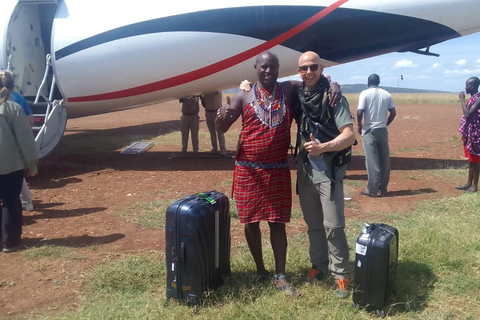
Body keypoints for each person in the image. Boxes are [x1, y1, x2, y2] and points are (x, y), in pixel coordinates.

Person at [215, 51, 301, 297]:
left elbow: (313, 79)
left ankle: (280, 275)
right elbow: (222, 127)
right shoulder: (243, 95)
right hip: (248, 170)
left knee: (277, 222)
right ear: (255, 68)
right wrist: (221, 117)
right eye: (263, 67)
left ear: (278, 68)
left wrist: (334, 82)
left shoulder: (288, 88)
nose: (268, 71)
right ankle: (261, 270)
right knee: (251, 222)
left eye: (272, 67)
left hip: (277, 169)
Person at [292, 51, 355, 299]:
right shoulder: (299, 94)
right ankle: (318, 265)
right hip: (305, 170)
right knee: (313, 225)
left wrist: (323, 147)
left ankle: (340, 275)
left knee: (334, 226)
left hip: (327, 171)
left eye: (313, 67)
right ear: (298, 71)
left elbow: (349, 135)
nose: (309, 72)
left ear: (321, 68)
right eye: (304, 68)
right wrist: (246, 84)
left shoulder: (333, 97)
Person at [0, 70, 38, 253]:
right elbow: (25, 139)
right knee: (10, 201)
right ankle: (11, 242)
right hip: (9, 165)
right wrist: (32, 164)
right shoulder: (13, 108)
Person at [357, 74, 396, 197]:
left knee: (372, 160)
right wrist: (385, 123)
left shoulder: (364, 93)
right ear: (379, 82)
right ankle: (383, 188)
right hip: (382, 129)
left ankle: (372, 190)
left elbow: (360, 111)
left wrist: (359, 124)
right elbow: (393, 113)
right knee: (384, 159)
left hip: (369, 129)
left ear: (368, 82)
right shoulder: (386, 94)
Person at [10, 90, 35, 211]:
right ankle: (26, 202)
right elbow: (31, 121)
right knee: (17, 174)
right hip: (14, 144)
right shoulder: (18, 99)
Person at [456, 76, 480, 193]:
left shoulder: (478, 99)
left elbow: (468, 114)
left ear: (473, 86)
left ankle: (475, 186)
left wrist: (461, 99)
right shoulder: (472, 99)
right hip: (470, 132)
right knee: (471, 159)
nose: (466, 87)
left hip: (476, 133)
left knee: (476, 159)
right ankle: (469, 183)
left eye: (468, 85)